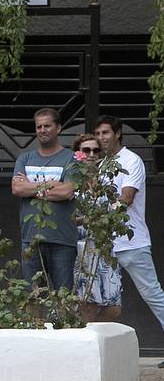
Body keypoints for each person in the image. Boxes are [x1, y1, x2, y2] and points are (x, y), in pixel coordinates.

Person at [94, 114, 164, 332]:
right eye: (97, 133)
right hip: (106, 244)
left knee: (152, 295)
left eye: (105, 132)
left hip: (132, 241)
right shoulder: (102, 164)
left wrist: (99, 216)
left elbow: (126, 198)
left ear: (118, 133)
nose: (101, 137)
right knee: (100, 298)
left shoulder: (132, 160)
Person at [11, 108, 77, 293]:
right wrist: (50, 185)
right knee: (33, 297)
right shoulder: (25, 158)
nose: (42, 130)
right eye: (38, 127)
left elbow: (66, 191)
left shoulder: (71, 159)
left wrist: (30, 186)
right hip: (30, 240)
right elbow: (17, 188)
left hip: (62, 241)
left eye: (47, 126)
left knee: (64, 298)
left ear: (58, 128)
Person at [69, 133, 122, 323]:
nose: (91, 154)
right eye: (86, 150)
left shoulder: (106, 181)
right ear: (77, 153)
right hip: (82, 248)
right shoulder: (71, 181)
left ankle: (90, 333)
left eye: (96, 150)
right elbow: (67, 218)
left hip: (104, 247)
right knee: (87, 304)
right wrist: (88, 219)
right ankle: (84, 336)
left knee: (113, 306)